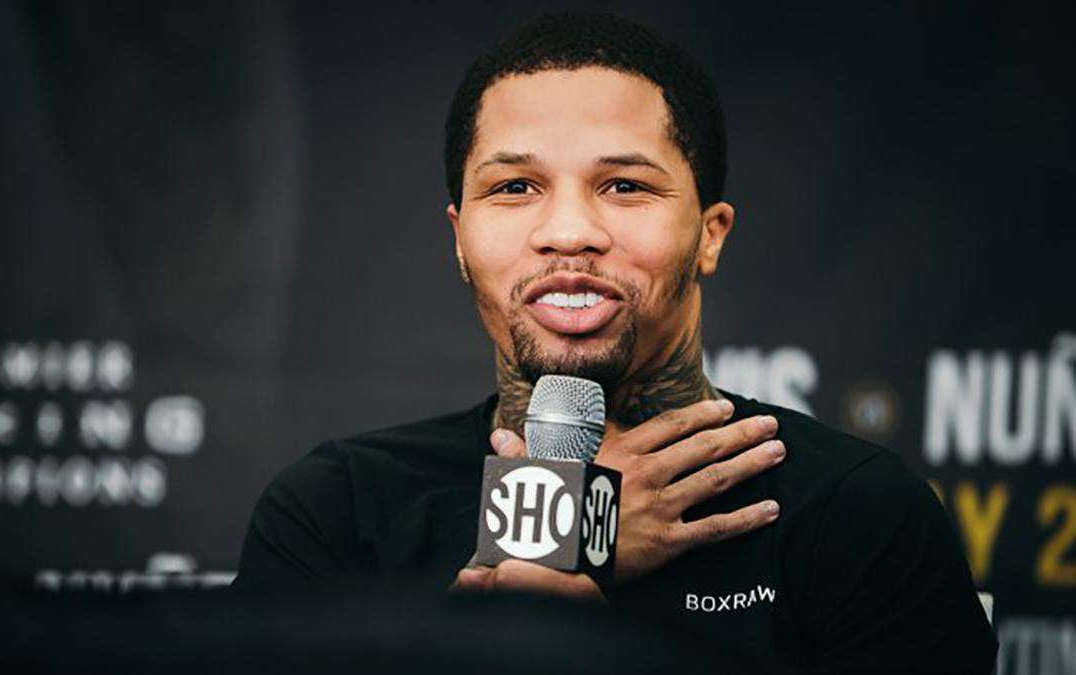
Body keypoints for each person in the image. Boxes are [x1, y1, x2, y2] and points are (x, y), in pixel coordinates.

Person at [234, 12, 997, 672]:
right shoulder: (339, 511)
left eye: (625, 185)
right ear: (460, 238)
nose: (569, 231)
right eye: (514, 187)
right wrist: (560, 538)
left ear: (709, 234)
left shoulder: (859, 515)